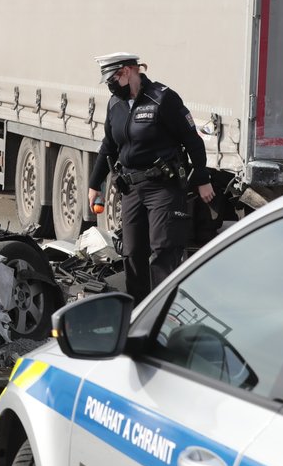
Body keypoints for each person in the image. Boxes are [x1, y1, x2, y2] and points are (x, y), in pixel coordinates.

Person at [87, 52, 215, 303]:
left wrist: (202, 178)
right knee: (132, 252)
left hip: (163, 188)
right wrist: (95, 183)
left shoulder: (162, 98)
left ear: (128, 71)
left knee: (164, 251)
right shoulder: (116, 104)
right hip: (132, 188)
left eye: (113, 78)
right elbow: (108, 146)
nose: (111, 85)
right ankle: (137, 312)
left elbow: (192, 140)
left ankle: (162, 313)